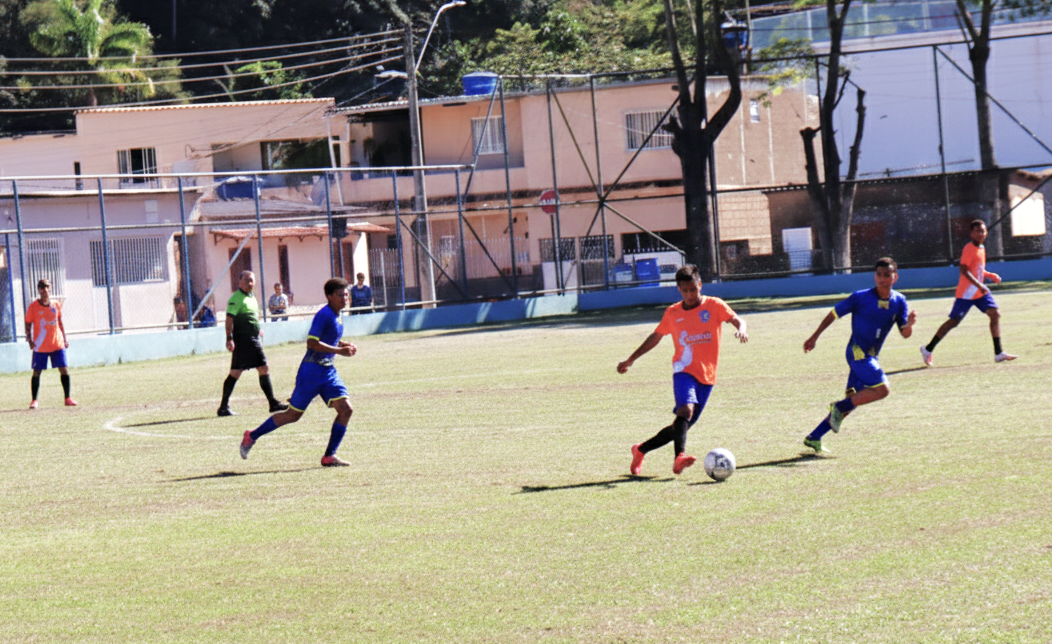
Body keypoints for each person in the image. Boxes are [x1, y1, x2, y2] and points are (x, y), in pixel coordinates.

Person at [617, 264, 748, 476]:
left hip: (707, 375)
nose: (689, 295)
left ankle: (640, 450)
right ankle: (679, 458)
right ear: (678, 289)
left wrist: (741, 328)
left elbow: (737, 319)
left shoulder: (714, 305)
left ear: (700, 285)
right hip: (683, 370)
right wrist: (631, 359)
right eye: (684, 290)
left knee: (681, 426)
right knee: (685, 411)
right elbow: (656, 336)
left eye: (693, 289)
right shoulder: (672, 313)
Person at [802, 257, 917, 453]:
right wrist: (814, 337)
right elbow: (833, 314)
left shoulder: (899, 301)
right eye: (879, 275)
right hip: (857, 353)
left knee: (854, 400)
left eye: (887, 275)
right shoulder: (860, 297)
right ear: (874, 276)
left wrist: (910, 325)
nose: (882, 279)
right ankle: (837, 407)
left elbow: (905, 333)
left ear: (895, 277)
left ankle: (814, 437)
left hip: (872, 356)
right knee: (882, 390)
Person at [240, 277, 357, 467]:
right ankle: (252, 435)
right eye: (340, 295)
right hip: (311, 372)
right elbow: (311, 342)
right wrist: (339, 351)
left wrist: (344, 345)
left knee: (346, 409)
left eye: (346, 295)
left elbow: (329, 338)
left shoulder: (338, 314)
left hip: (328, 371)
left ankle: (329, 456)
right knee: (293, 415)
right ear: (329, 296)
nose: (345, 298)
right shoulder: (324, 315)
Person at [920, 219, 1017, 366]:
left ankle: (998, 353)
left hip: (980, 293)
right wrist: (979, 285)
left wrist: (990, 275)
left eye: (982, 231)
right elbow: (964, 270)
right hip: (966, 294)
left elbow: (977, 270)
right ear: (971, 233)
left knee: (994, 314)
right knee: (953, 322)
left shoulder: (982, 248)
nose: (980, 234)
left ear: (986, 232)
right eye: (977, 231)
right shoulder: (968, 248)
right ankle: (928, 349)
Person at [217, 270, 289, 417]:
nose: (250, 283)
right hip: (245, 339)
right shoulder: (236, 298)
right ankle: (272, 403)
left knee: (236, 372)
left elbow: (251, 318)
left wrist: (257, 329)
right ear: (239, 282)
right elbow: (229, 319)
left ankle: (223, 407)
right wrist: (229, 338)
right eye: (246, 280)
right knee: (263, 367)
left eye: (252, 281)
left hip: (251, 338)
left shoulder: (252, 298)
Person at [24, 278, 76, 408]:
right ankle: (34, 400)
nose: (45, 290)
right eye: (42, 288)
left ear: (50, 289)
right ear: (38, 290)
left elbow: (60, 322)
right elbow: (28, 323)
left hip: (57, 343)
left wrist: (64, 339)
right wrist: (29, 339)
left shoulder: (55, 304)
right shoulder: (33, 307)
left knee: (64, 369)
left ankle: (67, 398)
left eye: (47, 287)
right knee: (37, 372)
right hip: (40, 345)